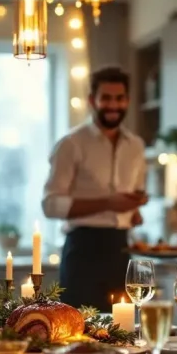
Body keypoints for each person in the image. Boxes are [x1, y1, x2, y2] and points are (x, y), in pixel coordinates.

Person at [42, 66, 148, 312]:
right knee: (78, 336)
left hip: (121, 250)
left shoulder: (137, 146)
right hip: (82, 252)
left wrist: (133, 210)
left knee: (123, 335)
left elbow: (132, 199)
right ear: (92, 100)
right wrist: (109, 203)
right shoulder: (71, 144)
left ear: (128, 100)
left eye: (119, 98)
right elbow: (50, 205)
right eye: (106, 98)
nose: (113, 105)